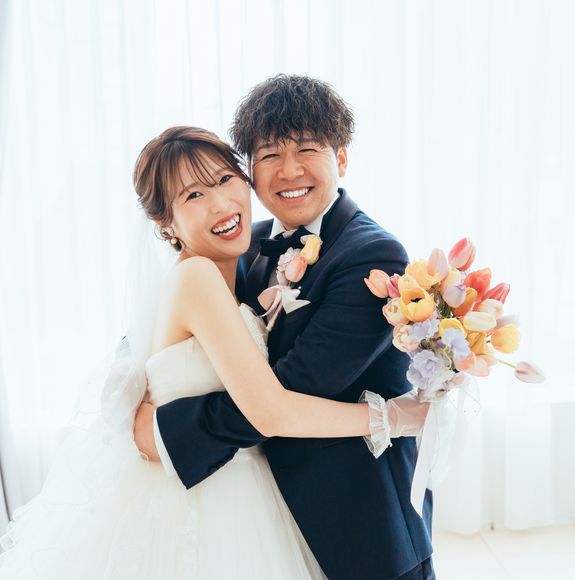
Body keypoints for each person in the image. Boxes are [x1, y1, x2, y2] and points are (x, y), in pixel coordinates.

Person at [0, 125, 426, 579]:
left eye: (224, 180)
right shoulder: (199, 275)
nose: (221, 204)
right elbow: (271, 409)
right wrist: (391, 418)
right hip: (205, 496)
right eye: (194, 195)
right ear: (165, 224)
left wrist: (159, 423)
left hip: (278, 492)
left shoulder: (248, 254)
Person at [135, 75, 436, 580]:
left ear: (342, 159)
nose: (289, 170)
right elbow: (162, 338)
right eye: (270, 154)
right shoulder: (240, 245)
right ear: (252, 170)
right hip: (256, 515)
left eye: (307, 149)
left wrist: (167, 432)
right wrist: (132, 396)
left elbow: (288, 392)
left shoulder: (373, 256)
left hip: (360, 521)